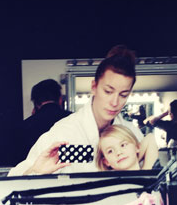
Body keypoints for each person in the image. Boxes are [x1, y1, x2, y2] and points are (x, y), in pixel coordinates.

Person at [9, 45, 158, 175]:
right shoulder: (67, 133)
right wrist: (36, 171)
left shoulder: (130, 132)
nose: (114, 102)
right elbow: (15, 177)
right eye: (108, 91)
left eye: (123, 95)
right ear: (94, 87)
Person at [19, 79, 71, 159]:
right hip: (69, 166)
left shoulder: (24, 126)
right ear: (60, 99)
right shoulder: (74, 119)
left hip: (36, 166)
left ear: (36, 103)